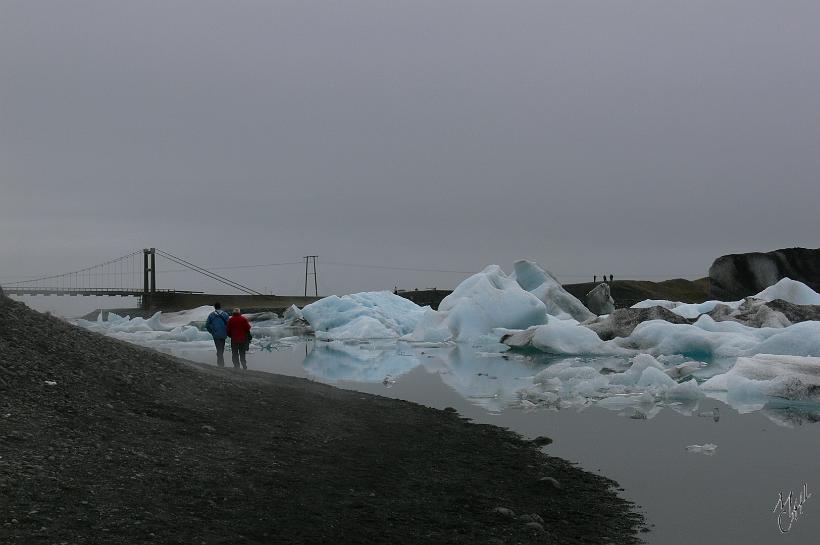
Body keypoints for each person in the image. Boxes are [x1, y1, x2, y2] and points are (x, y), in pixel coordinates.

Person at [205, 302, 230, 367]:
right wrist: (227, 332)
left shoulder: (211, 315)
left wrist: (211, 331)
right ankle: (221, 363)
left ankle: (220, 363)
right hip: (224, 334)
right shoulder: (225, 314)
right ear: (220, 307)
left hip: (216, 334)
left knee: (218, 348)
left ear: (214, 307)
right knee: (221, 348)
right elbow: (229, 324)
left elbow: (207, 325)